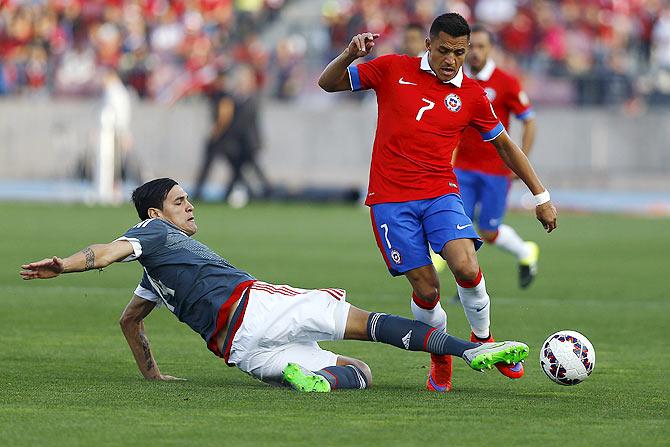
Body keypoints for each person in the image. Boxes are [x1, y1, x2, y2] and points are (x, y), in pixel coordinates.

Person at [20, 178, 530, 393]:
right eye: (179, 201)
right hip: (257, 307)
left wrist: (152, 375)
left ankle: (311, 378)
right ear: (156, 214)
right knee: (367, 325)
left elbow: (129, 321)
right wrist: (65, 265)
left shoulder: (155, 274)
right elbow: (107, 252)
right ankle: (471, 352)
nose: (189, 205)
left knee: (361, 373)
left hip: (239, 351)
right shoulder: (151, 233)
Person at [318, 13, 557, 392]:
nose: (451, 60)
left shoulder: (473, 95)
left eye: (459, 53)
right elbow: (327, 83)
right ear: (428, 44)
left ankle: (483, 340)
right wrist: (349, 54)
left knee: (465, 264)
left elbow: (505, 147)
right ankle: (441, 358)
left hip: (440, 192)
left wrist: (540, 195)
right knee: (428, 290)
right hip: (391, 201)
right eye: (444, 50)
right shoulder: (391, 68)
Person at [452, 25, 539, 289]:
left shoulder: (506, 82)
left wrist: (519, 159)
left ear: (490, 49)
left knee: (488, 231)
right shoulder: (456, 79)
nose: (475, 53)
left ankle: (525, 252)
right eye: (471, 47)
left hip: (495, 170)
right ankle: (466, 285)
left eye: (481, 47)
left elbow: (529, 121)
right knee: (458, 229)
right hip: (462, 169)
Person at [193, 65, 271, 205]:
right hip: (240, 142)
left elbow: (239, 121)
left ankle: (267, 192)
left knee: (246, 170)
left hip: (248, 142)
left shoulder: (252, 98)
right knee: (239, 170)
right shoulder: (235, 97)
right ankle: (262, 193)